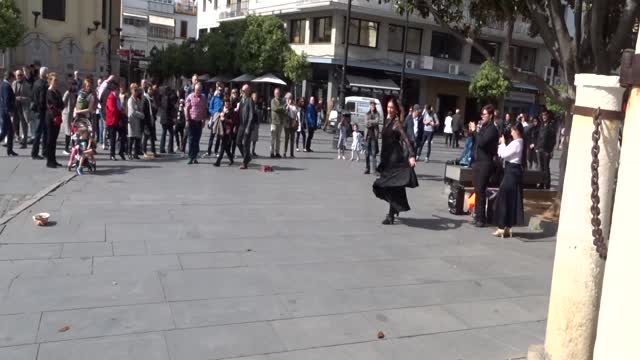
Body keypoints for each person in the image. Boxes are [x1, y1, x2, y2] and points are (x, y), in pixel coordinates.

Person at [373, 98, 418, 225]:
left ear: (396, 110)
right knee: (384, 186)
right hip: (386, 159)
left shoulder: (397, 124)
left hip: (395, 159)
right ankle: (395, 207)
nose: (389, 109)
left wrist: (412, 155)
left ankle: (391, 215)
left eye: (392, 107)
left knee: (390, 187)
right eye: (388, 107)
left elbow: (406, 139)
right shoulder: (387, 121)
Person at [493, 122, 526, 237]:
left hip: (511, 171)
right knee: (510, 199)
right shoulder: (519, 142)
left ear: (517, 131)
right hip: (513, 171)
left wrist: (502, 144)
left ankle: (501, 226)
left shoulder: (517, 143)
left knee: (503, 198)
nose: (511, 133)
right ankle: (507, 226)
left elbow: (504, 154)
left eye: (512, 130)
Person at [471, 104, 500, 227]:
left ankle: (481, 218)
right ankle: (478, 215)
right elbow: (477, 142)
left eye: (484, 114)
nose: (482, 116)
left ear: (491, 115)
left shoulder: (492, 129)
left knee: (481, 190)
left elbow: (482, 142)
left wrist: (475, 131)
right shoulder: (483, 127)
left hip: (485, 163)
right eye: (481, 114)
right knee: (477, 190)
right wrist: (473, 132)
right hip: (478, 161)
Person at [44, 72, 64, 168]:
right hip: (51, 118)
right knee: (50, 139)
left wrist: (59, 106)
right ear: (50, 81)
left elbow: (62, 104)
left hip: (58, 117)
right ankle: (49, 160)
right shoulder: (49, 92)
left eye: (57, 80)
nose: (56, 82)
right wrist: (59, 105)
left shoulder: (57, 92)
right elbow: (55, 104)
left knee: (54, 140)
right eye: (54, 80)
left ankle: (54, 159)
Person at [184, 82, 207, 164]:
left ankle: (195, 157)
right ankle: (190, 157)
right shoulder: (190, 97)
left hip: (199, 121)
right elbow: (186, 109)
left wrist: (204, 120)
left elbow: (204, 109)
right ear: (194, 89)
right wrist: (187, 120)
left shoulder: (203, 98)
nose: (199, 91)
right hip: (191, 121)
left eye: (200, 90)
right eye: (197, 90)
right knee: (191, 139)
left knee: (197, 140)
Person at [236, 84, 257, 169]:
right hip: (241, 124)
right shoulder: (242, 100)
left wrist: (248, 127)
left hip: (247, 125)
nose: (242, 92)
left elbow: (251, 115)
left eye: (244, 91)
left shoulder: (250, 100)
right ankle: (247, 157)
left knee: (246, 144)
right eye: (242, 90)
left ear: (248, 91)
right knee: (238, 142)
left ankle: (245, 163)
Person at [31, 66, 49, 160]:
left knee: (41, 132)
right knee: (41, 133)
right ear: (45, 74)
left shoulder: (36, 82)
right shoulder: (44, 84)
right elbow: (42, 99)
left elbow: (33, 96)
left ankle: (42, 152)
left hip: (36, 110)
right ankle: (37, 152)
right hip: (42, 111)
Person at [12, 69, 32, 149]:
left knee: (24, 125)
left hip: (24, 107)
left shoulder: (27, 85)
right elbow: (11, 94)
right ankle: (15, 138)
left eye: (21, 75)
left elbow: (31, 98)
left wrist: (23, 98)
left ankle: (24, 142)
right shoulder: (13, 84)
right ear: (15, 76)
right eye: (18, 75)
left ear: (23, 76)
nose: (19, 76)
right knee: (14, 124)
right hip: (15, 107)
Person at [214, 97, 236, 167]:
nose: (226, 103)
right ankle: (231, 160)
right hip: (221, 130)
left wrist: (224, 119)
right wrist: (219, 116)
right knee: (226, 148)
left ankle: (218, 161)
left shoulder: (232, 111)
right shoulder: (222, 110)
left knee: (223, 146)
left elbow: (232, 121)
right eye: (225, 102)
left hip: (228, 131)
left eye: (228, 102)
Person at [536, 110, 556, 189]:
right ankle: (541, 182)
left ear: (548, 116)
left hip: (546, 150)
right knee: (540, 167)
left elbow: (553, 140)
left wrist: (550, 150)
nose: (544, 117)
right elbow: (539, 137)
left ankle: (547, 184)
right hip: (540, 149)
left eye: (545, 115)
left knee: (546, 168)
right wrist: (537, 147)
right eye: (543, 115)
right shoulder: (541, 125)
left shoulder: (551, 126)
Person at [0, 71, 18, 156]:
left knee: (10, 131)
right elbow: (7, 100)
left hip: (3, 111)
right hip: (6, 112)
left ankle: (10, 150)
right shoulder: (6, 86)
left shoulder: (2, 84)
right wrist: (10, 111)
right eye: (13, 77)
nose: (14, 79)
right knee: (4, 132)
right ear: (10, 78)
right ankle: (10, 150)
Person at [105, 81, 122, 161]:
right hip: (112, 121)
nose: (119, 92)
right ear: (114, 90)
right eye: (118, 90)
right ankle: (112, 154)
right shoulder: (111, 97)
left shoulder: (116, 98)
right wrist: (120, 111)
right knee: (113, 138)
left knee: (121, 136)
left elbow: (119, 107)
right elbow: (112, 109)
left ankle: (121, 151)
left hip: (117, 120)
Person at [206, 82, 224, 157]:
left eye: (220, 90)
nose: (219, 91)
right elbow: (210, 109)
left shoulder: (223, 98)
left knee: (219, 136)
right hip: (214, 118)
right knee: (212, 136)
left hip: (221, 118)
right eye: (218, 89)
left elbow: (224, 107)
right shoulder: (214, 98)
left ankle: (216, 151)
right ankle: (209, 151)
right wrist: (214, 113)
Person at [127, 83, 144, 160]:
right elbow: (133, 111)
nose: (136, 92)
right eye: (135, 90)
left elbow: (140, 108)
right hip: (132, 121)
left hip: (137, 121)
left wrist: (141, 98)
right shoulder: (130, 100)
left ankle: (135, 154)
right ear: (131, 91)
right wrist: (141, 115)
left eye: (137, 90)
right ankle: (129, 153)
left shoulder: (137, 99)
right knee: (131, 138)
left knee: (137, 138)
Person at [61, 78, 77, 155]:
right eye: (73, 84)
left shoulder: (74, 93)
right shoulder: (67, 93)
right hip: (66, 114)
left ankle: (71, 147)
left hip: (71, 114)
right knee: (68, 131)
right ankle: (66, 148)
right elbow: (63, 102)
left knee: (71, 131)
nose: (74, 86)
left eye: (75, 85)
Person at [364, 100, 380, 175]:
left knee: (373, 153)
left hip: (374, 136)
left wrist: (370, 121)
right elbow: (366, 123)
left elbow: (377, 121)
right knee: (367, 153)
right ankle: (367, 168)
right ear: (370, 106)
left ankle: (374, 170)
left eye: (374, 105)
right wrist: (372, 122)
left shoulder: (377, 114)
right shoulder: (367, 114)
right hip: (367, 136)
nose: (372, 106)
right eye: (371, 105)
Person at [270, 88, 286, 158]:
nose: (277, 94)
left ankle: (277, 152)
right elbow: (275, 108)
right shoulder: (273, 101)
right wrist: (282, 108)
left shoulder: (282, 101)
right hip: (274, 122)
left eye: (278, 93)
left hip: (280, 122)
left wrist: (282, 108)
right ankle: (271, 153)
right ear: (274, 94)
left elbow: (284, 110)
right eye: (276, 93)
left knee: (278, 139)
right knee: (273, 138)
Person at [158, 86, 175, 154]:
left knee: (164, 133)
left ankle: (162, 148)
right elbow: (169, 108)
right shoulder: (168, 98)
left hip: (163, 118)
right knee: (171, 133)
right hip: (168, 118)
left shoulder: (162, 97)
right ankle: (170, 148)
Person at [283, 93, 297, 158]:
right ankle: (284, 152)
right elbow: (284, 113)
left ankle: (291, 153)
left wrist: (294, 121)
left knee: (292, 138)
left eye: (290, 98)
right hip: (287, 123)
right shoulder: (285, 105)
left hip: (293, 123)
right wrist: (287, 106)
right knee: (286, 138)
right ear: (286, 99)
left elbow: (295, 114)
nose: (289, 100)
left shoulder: (294, 106)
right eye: (288, 98)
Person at [250, 92, 260, 157]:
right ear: (252, 97)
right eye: (254, 97)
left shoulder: (256, 105)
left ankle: (253, 151)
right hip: (251, 123)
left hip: (256, 123)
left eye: (256, 97)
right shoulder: (250, 104)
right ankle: (249, 151)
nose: (256, 98)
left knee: (255, 139)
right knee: (250, 138)